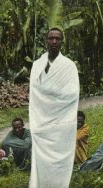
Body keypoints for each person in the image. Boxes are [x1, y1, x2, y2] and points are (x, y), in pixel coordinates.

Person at [29, 27, 80, 188]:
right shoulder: (37, 65)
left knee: (60, 159)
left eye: (58, 39)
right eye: (51, 38)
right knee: (40, 158)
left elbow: (72, 94)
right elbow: (34, 91)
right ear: (46, 41)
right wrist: (48, 91)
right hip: (41, 119)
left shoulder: (69, 66)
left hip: (62, 121)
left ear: (62, 42)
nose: (54, 42)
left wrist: (48, 90)